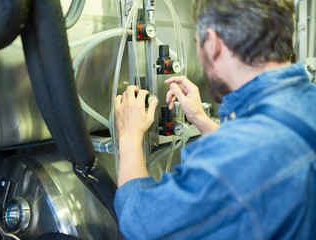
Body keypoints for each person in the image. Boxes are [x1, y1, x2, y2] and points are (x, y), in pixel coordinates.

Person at [113, 0, 316, 239]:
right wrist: (200, 118)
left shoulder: (239, 155)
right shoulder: (306, 100)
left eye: (198, 45)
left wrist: (128, 137)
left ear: (214, 43)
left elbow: (141, 222)